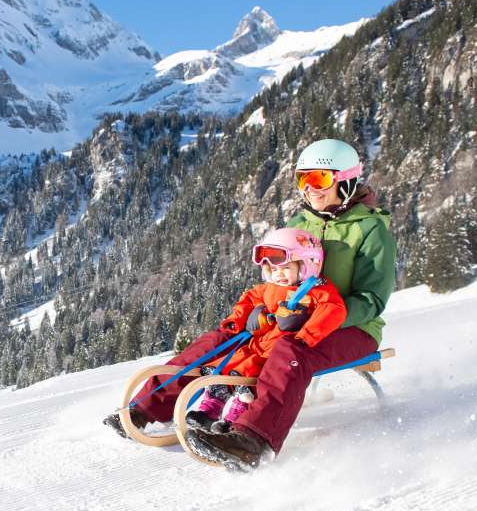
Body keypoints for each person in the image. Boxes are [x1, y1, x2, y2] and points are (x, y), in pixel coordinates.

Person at [104, 138, 396, 471]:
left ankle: (252, 439)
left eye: (320, 179)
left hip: (351, 328)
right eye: (303, 179)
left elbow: (372, 300)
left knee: (291, 351)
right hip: (286, 319)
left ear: (345, 180)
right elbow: (275, 280)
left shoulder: (371, 231)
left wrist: (312, 318)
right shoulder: (300, 224)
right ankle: (147, 408)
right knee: (222, 339)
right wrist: (258, 311)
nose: (310, 188)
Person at [185, 228, 347, 437]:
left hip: (278, 350)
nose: (279, 274)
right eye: (273, 269)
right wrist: (239, 320)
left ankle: (234, 423)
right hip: (257, 344)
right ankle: (208, 411)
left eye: (286, 268)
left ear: (307, 265)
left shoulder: (317, 289)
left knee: (247, 382)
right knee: (227, 369)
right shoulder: (271, 287)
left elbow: (333, 310)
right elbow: (250, 298)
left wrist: (305, 335)